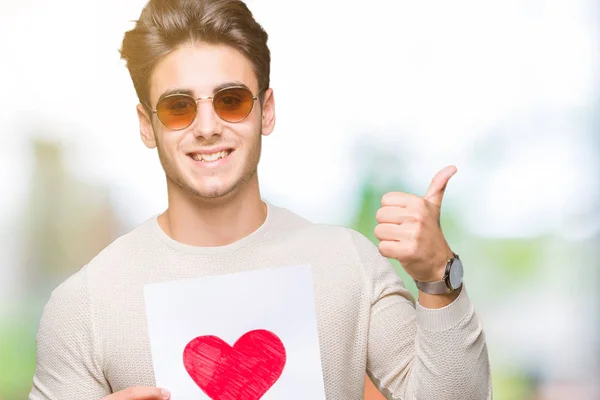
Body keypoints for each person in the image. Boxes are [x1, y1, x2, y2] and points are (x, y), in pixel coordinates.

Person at [29, 0, 492, 399]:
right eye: (178, 106)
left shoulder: (347, 263)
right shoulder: (84, 305)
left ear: (265, 111)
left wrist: (438, 277)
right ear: (147, 125)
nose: (207, 126)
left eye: (230, 100)